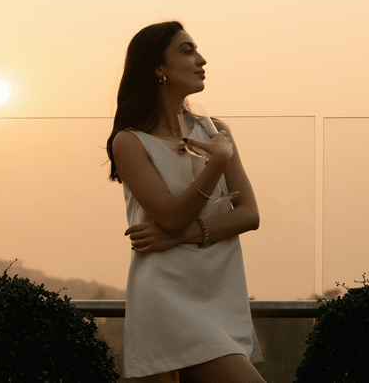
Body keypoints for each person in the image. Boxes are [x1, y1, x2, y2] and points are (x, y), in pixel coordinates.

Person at [106, 21, 266, 383]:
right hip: (165, 296)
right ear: (157, 68)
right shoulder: (130, 142)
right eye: (187, 51)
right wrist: (219, 161)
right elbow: (170, 217)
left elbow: (250, 215)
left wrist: (178, 237)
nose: (202, 60)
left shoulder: (215, 130)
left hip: (218, 292)